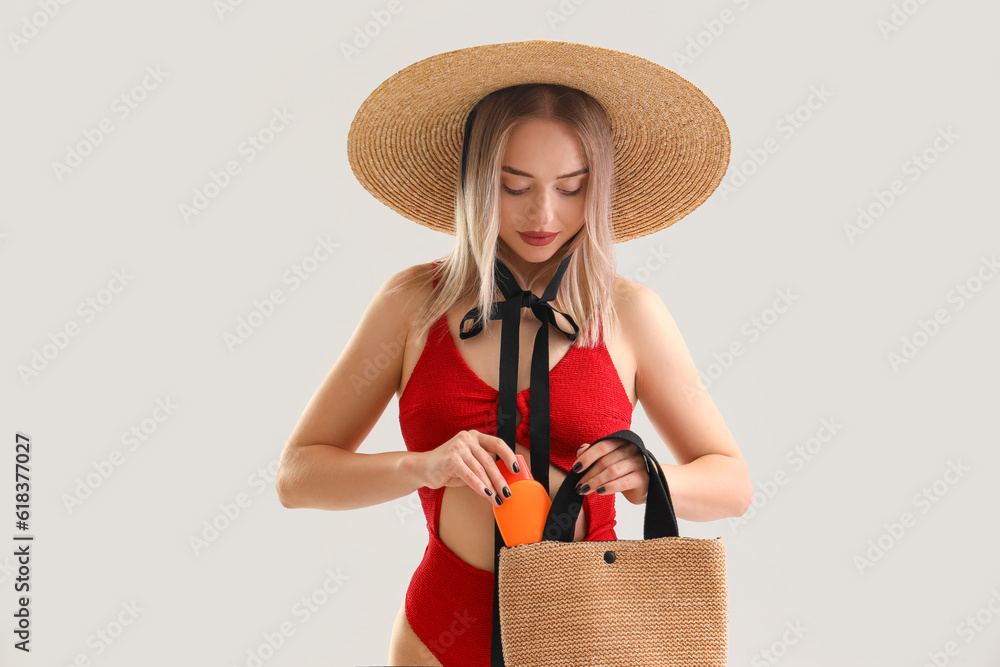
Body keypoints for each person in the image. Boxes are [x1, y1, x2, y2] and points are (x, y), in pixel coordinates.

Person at [275, 40, 753, 667]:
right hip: (439, 636)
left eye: (572, 187)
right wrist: (421, 466)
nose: (543, 213)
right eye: (514, 185)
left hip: (590, 631)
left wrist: (649, 478)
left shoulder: (631, 313)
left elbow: (732, 483)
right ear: (477, 182)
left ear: (599, 188)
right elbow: (298, 476)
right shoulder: (411, 304)